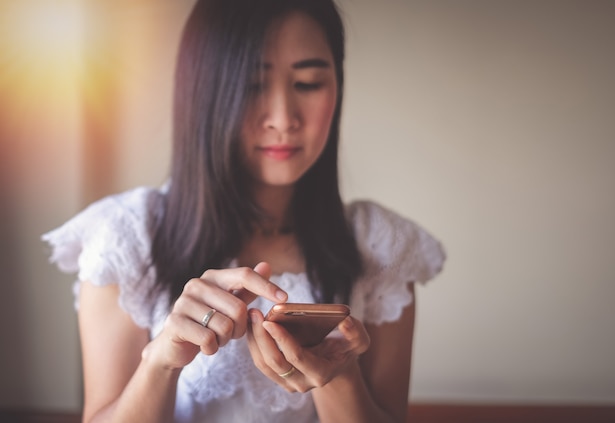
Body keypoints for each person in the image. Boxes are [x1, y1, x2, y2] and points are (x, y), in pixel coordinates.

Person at [42, 0, 445, 422]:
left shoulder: (380, 246)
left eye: (308, 83)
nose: (283, 118)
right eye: (253, 85)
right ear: (203, 92)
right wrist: (160, 362)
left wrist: (339, 376)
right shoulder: (127, 236)